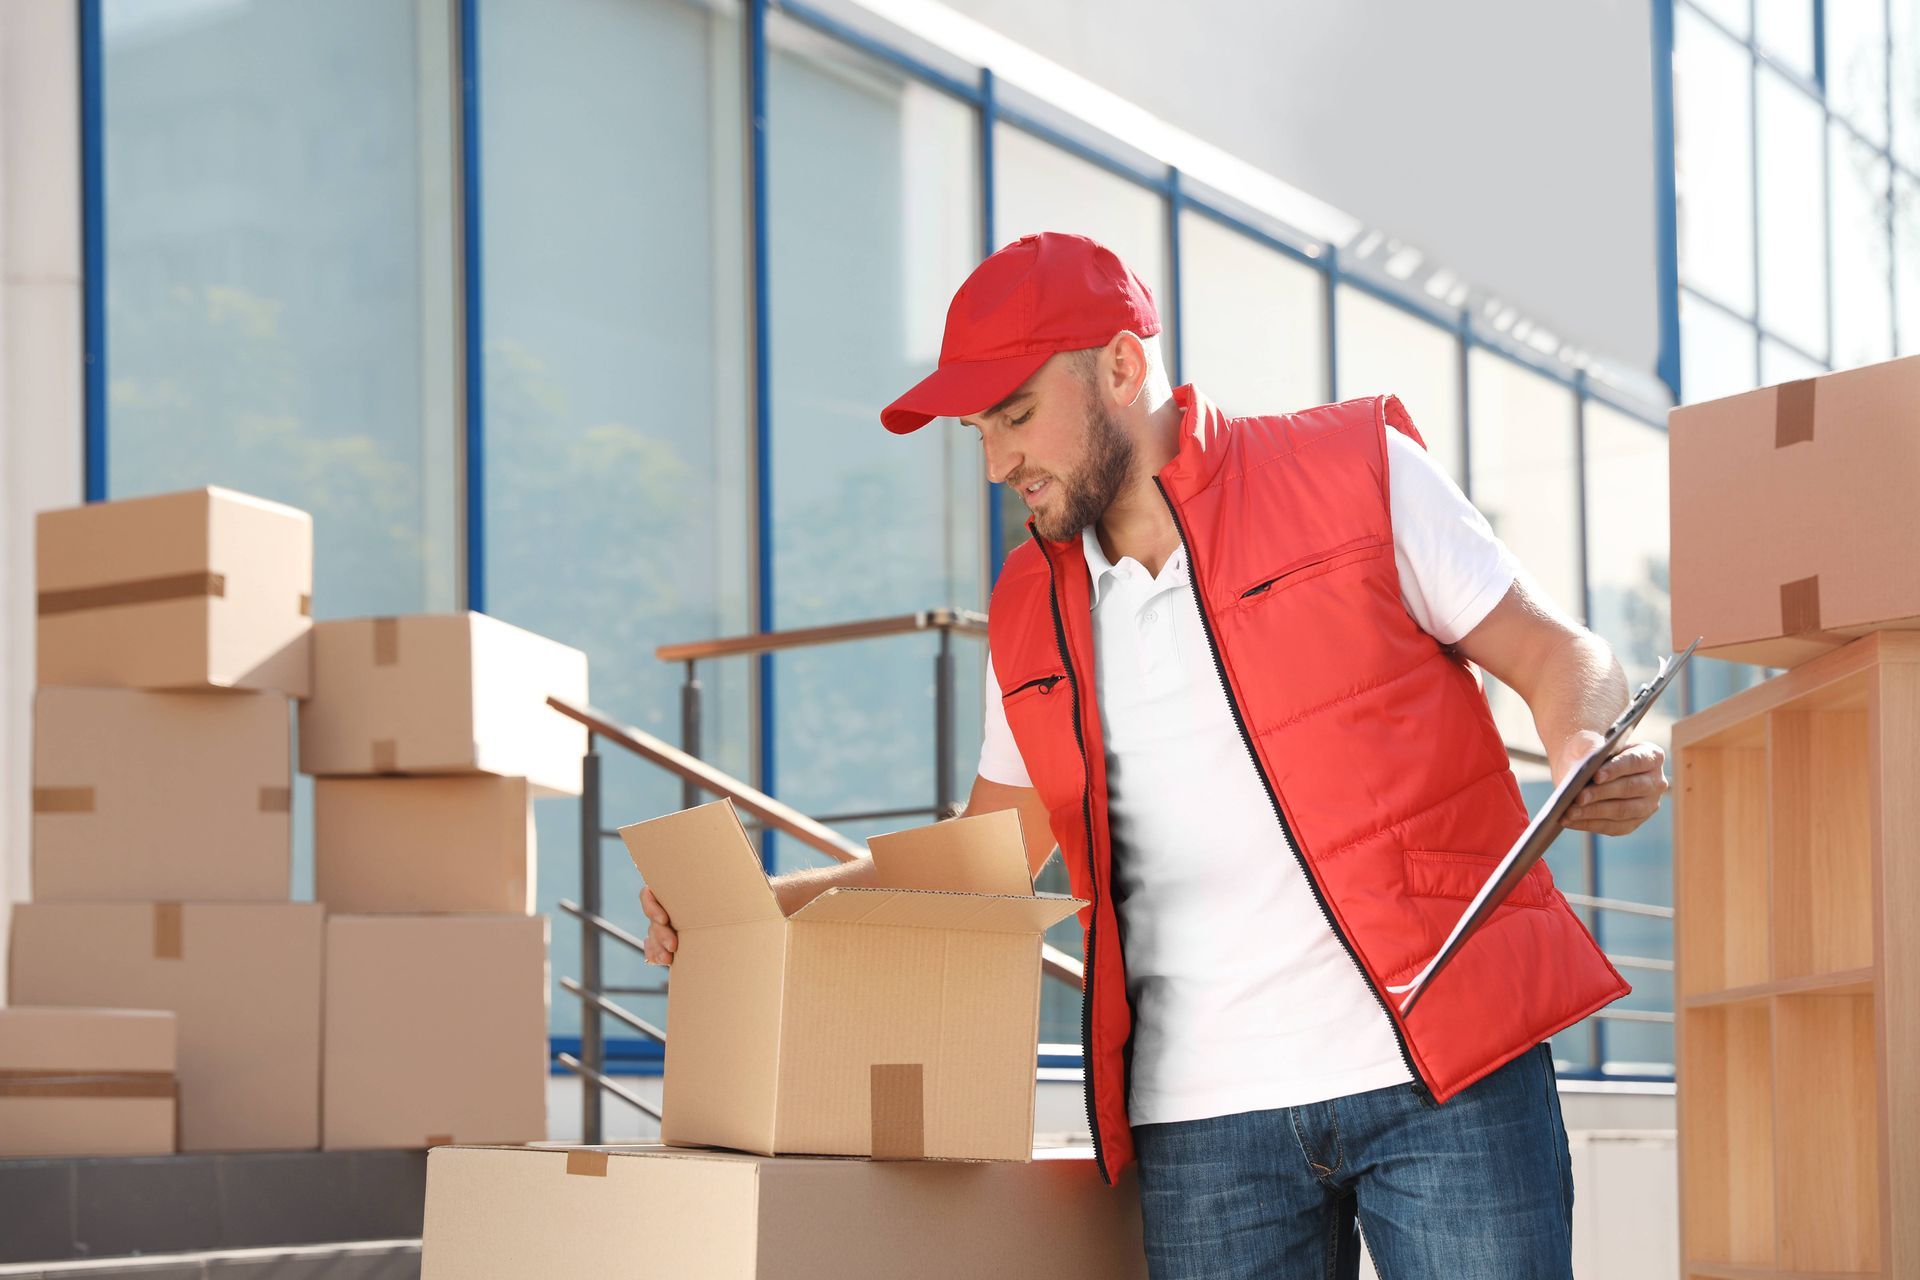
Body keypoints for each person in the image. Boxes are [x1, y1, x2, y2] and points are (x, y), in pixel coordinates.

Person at [642, 231, 1668, 1278]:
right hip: (1203, 1128)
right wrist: (765, 903)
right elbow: (979, 866)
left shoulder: (1352, 469)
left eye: (1015, 415)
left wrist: (1584, 739)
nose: (998, 463)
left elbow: (1557, 650)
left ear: (1122, 367)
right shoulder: (1028, 606)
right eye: (977, 431)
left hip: (1448, 1074)